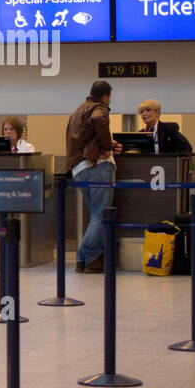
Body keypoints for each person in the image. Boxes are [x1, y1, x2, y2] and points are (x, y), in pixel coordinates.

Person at [66, 80, 121, 274]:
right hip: (97, 166)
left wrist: (107, 143)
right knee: (100, 214)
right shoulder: (99, 108)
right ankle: (86, 257)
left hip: (79, 169)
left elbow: (85, 136)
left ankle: (87, 260)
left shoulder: (78, 110)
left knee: (95, 215)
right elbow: (99, 120)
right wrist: (107, 147)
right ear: (106, 96)